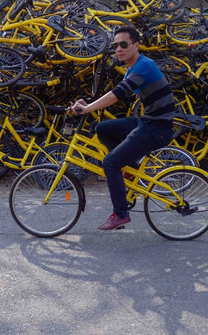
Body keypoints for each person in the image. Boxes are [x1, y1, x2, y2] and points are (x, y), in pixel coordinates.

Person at [70, 26, 175, 231]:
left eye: (123, 44)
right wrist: (87, 103)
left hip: (157, 128)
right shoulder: (133, 67)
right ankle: (129, 167)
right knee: (102, 129)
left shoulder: (143, 66)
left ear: (136, 45)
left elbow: (117, 95)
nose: (118, 49)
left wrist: (88, 108)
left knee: (110, 163)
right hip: (148, 121)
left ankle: (120, 214)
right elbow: (115, 92)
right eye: (115, 45)